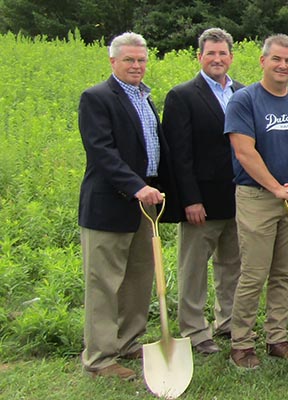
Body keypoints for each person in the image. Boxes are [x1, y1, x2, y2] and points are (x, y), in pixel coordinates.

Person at [225, 34, 288, 369]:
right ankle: (241, 342)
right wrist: (275, 188)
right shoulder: (244, 100)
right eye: (277, 59)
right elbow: (243, 150)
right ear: (263, 61)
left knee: (284, 273)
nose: (283, 66)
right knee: (253, 273)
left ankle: (276, 337)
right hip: (257, 198)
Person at [77, 31, 169, 380]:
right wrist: (137, 187)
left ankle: (129, 342)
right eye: (129, 59)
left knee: (139, 278)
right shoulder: (97, 98)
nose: (136, 65)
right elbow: (102, 152)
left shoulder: (144, 98)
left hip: (144, 206)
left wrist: (156, 189)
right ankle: (99, 357)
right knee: (104, 283)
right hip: (109, 206)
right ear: (113, 61)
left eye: (141, 59)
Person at [161, 27, 244, 355]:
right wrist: (190, 200)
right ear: (200, 57)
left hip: (238, 197)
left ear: (231, 57)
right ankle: (195, 330)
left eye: (223, 53)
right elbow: (178, 155)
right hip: (201, 202)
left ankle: (229, 322)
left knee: (233, 265)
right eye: (211, 53)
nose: (217, 59)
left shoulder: (242, 92)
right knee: (193, 268)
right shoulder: (182, 96)